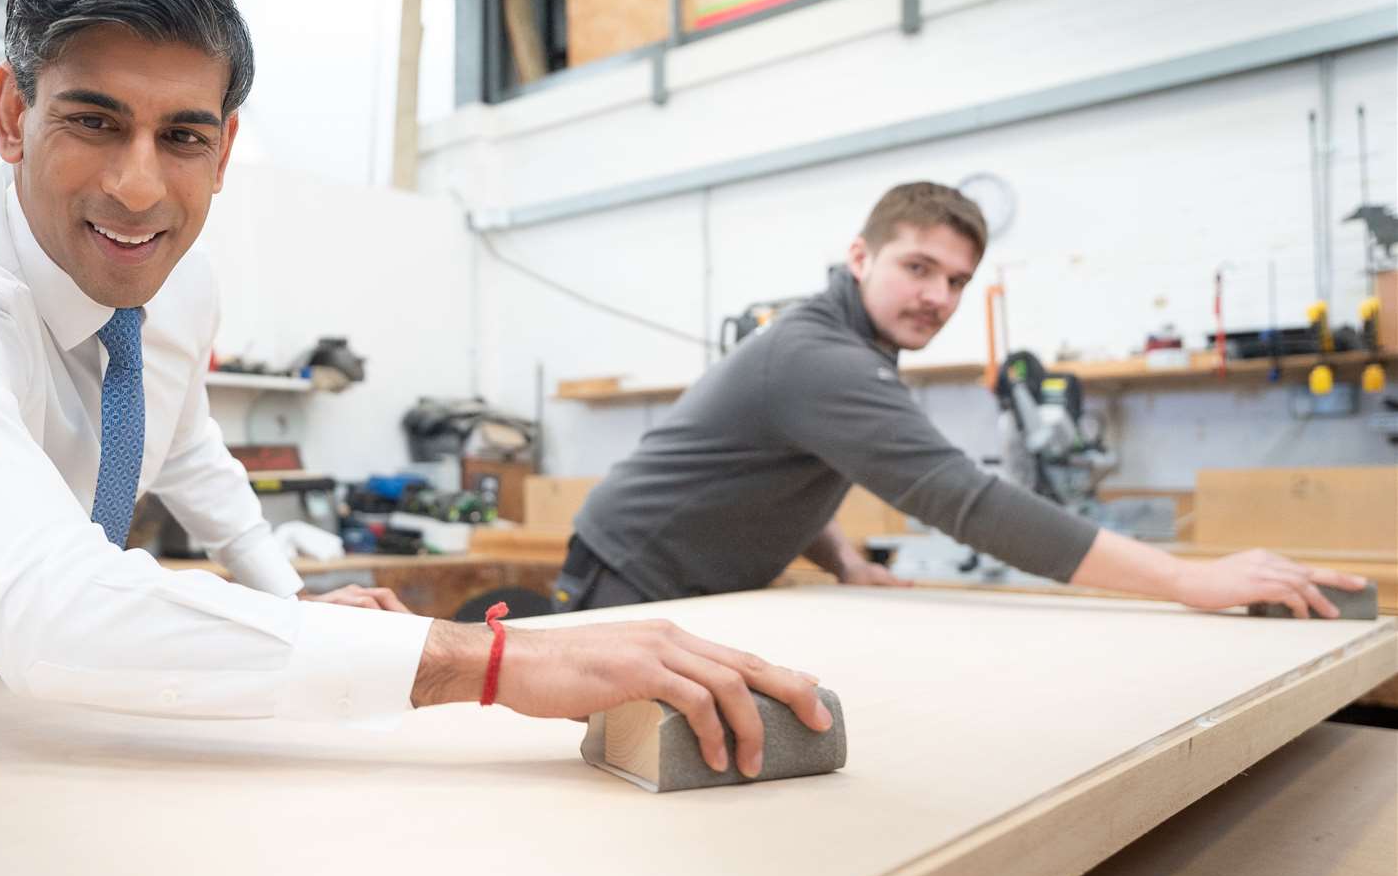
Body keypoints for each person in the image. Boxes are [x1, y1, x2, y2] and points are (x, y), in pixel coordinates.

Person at [0, 0, 829, 780]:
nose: (140, 189)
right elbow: (53, 611)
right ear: (13, 114)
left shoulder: (174, 277)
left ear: (226, 148)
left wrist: (281, 591)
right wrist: (495, 660)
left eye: (183, 135)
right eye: (94, 122)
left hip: (40, 683)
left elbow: (182, 445)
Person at [556, 182, 1368, 616]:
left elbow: (787, 472)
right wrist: (1186, 579)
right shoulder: (821, 357)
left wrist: (841, 559)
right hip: (629, 576)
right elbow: (965, 501)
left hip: (684, 579)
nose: (939, 297)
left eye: (957, 281)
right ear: (859, 256)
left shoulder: (851, 346)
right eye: (918, 268)